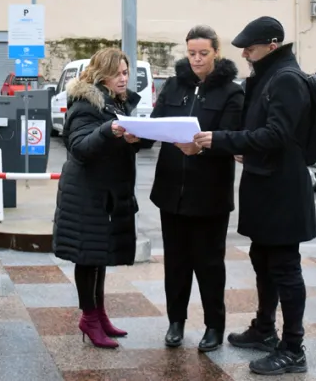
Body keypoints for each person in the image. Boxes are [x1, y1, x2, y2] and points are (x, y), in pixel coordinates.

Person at [193, 16, 316, 376]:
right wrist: (241, 144)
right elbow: (259, 131)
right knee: (263, 260)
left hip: (283, 190)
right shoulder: (268, 77)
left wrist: (222, 139)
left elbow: (276, 134)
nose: (245, 53)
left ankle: (293, 348)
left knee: (285, 268)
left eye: (251, 47)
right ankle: (265, 328)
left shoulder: (287, 79)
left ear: (272, 45)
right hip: (265, 183)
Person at [148, 25, 244, 352]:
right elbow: (157, 124)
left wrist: (202, 147)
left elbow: (232, 136)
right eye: (192, 53)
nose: (197, 59)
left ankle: (214, 326)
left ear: (216, 52)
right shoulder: (175, 86)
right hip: (170, 191)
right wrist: (135, 133)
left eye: (203, 53)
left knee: (209, 264)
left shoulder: (231, 92)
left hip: (210, 195)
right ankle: (176, 322)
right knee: (175, 262)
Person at [52, 47, 144, 349]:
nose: (124, 78)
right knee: (88, 256)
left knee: (99, 256)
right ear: (102, 74)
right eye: (118, 73)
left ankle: (99, 313)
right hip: (86, 194)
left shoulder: (115, 103)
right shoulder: (85, 104)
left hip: (105, 193)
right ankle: (89, 318)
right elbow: (79, 146)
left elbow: (115, 144)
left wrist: (134, 137)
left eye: (126, 72)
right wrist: (110, 130)